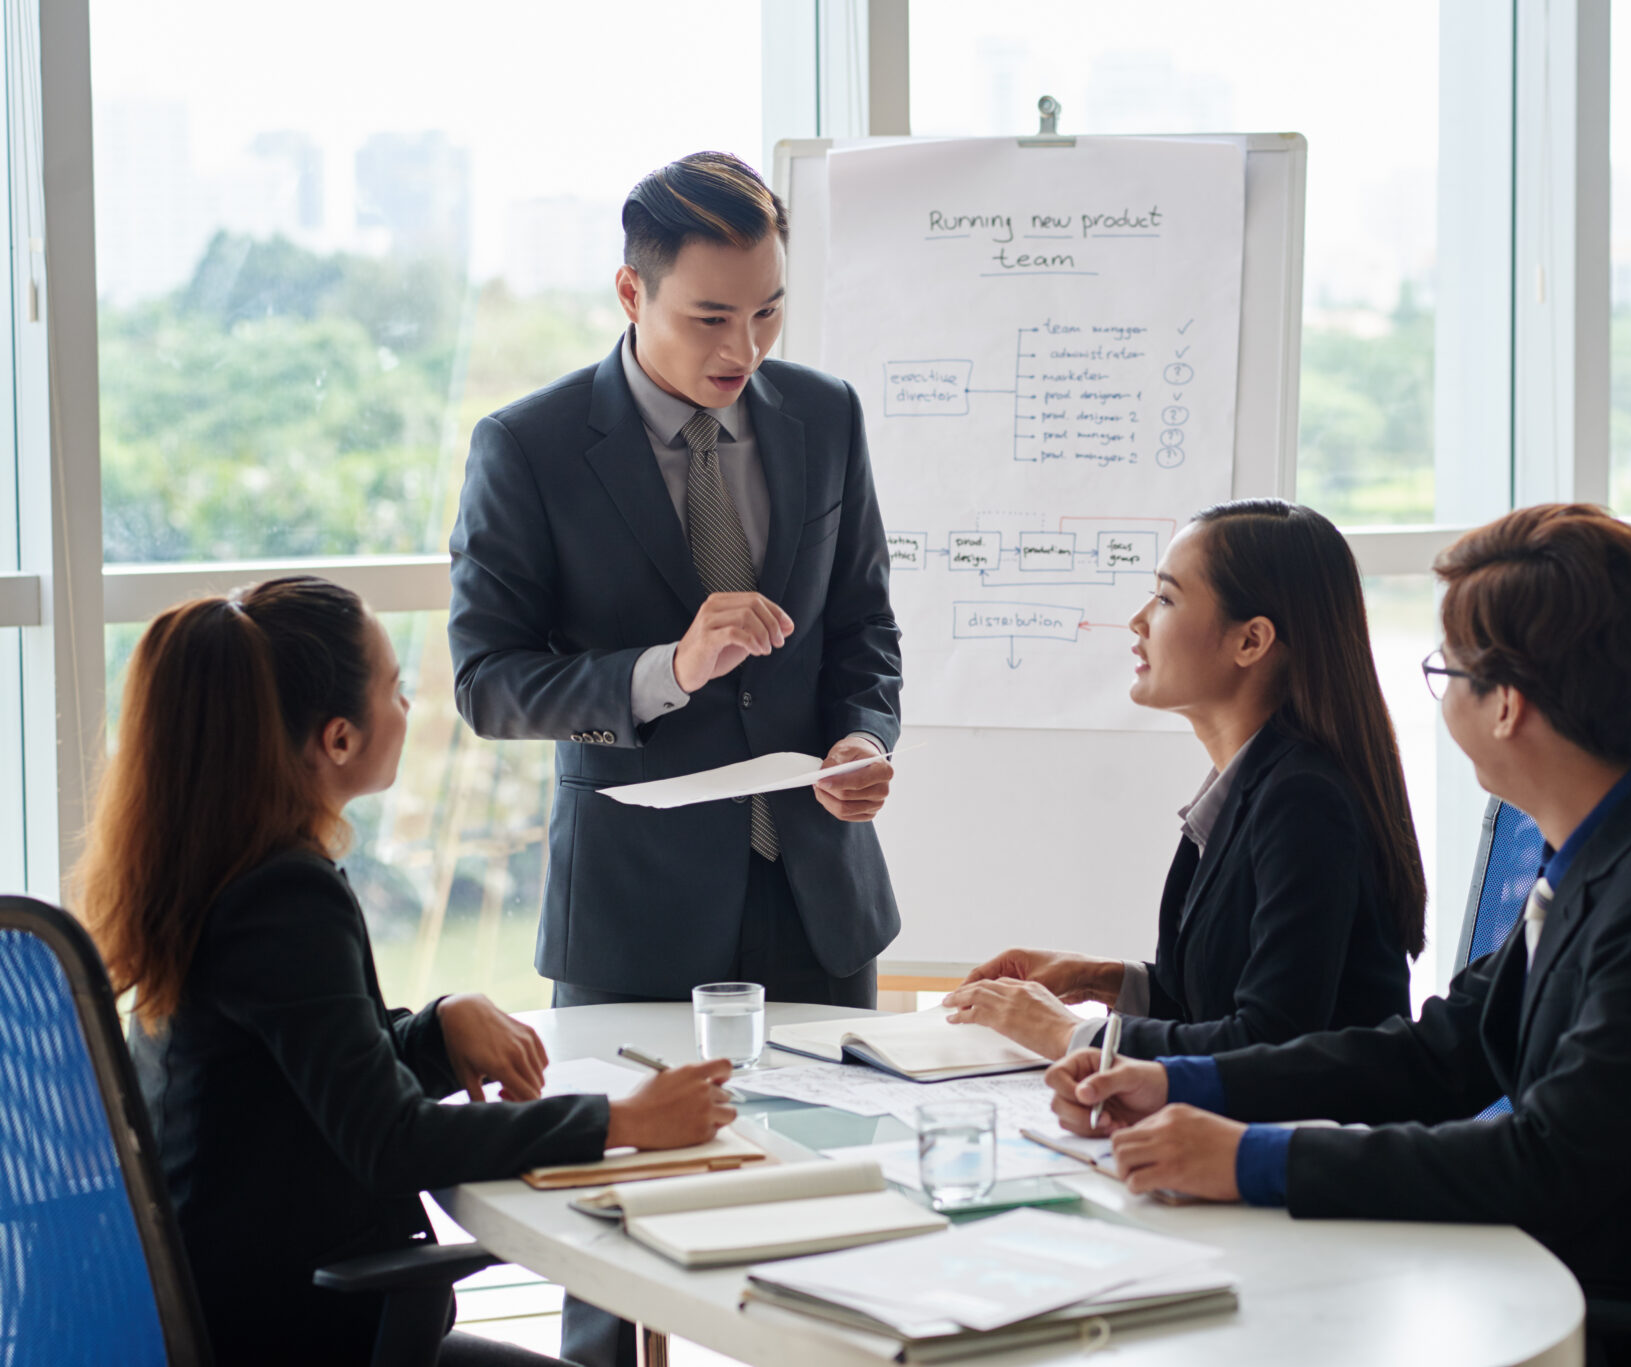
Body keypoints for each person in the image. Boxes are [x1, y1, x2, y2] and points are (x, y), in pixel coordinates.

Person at [1044, 505, 1631, 1366]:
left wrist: (1251, 1158)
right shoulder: (1614, 844)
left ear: (1507, 707)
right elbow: (1443, 1053)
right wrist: (1174, 1079)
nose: (1439, 693)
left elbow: (1542, 1164)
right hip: (1589, 1276)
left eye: (1446, 669)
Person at [445, 151, 900, 1366]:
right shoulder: (528, 446)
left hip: (815, 888)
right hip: (635, 910)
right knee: (616, 1243)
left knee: (835, 1220)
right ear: (628, 292)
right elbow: (486, 681)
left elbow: (864, 628)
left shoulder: (826, 415)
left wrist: (865, 735)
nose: (741, 346)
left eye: (766, 311)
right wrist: (662, 669)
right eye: (709, 315)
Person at [73, 577, 737, 1367]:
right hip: (297, 1332)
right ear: (339, 738)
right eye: (393, 689)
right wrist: (623, 1121)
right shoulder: (285, 897)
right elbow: (391, 1140)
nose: (409, 708)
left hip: (230, 1312)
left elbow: (314, 1067)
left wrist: (435, 1029)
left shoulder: (219, 868)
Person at [942, 499, 1425, 1060]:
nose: (1139, 619)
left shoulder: (1306, 800)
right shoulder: (1252, 780)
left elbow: (1265, 1046)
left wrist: (1068, 1035)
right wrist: (1100, 978)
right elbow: (1217, 1003)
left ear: (1251, 641)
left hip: (1310, 1139)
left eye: (1166, 598)